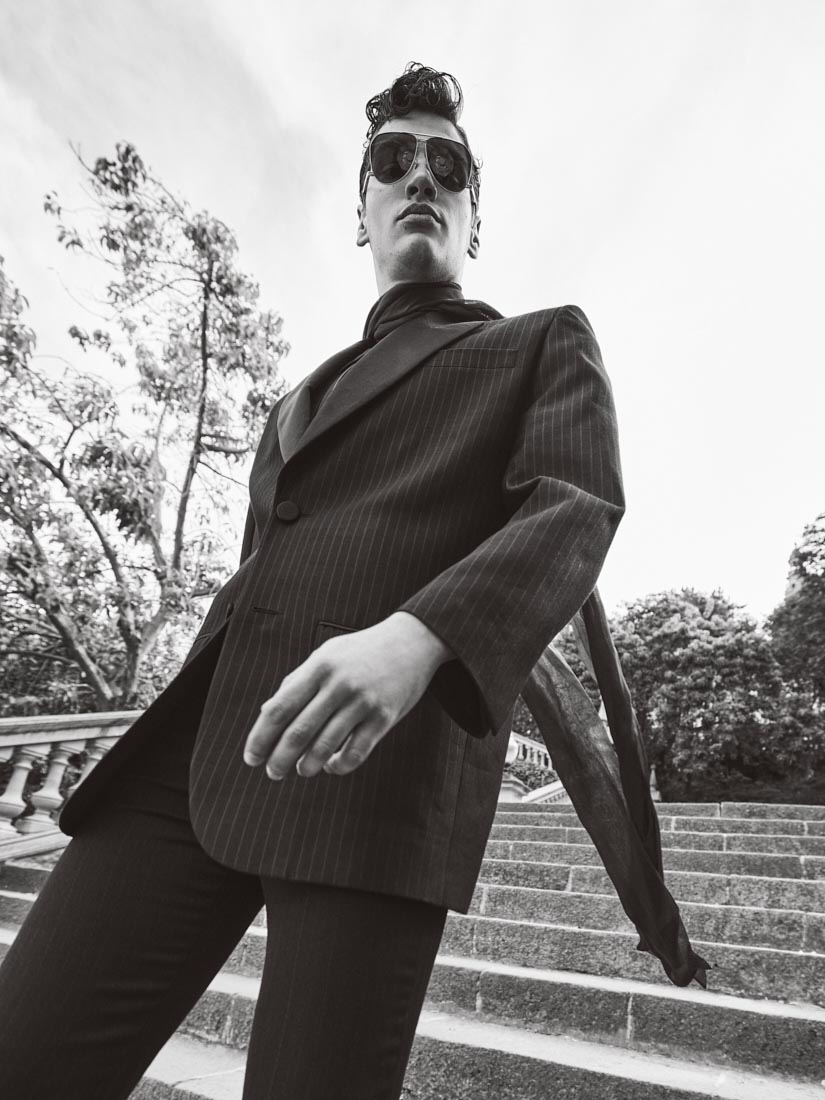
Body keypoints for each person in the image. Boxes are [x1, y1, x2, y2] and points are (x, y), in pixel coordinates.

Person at [0, 63, 628, 1099]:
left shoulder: (541, 341)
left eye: (449, 166)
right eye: (394, 159)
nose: (420, 176)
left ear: (474, 219)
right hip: (198, 749)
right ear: (361, 209)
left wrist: (417, 636)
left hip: (378, 773)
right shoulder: (296, 400)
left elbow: (576, 506)